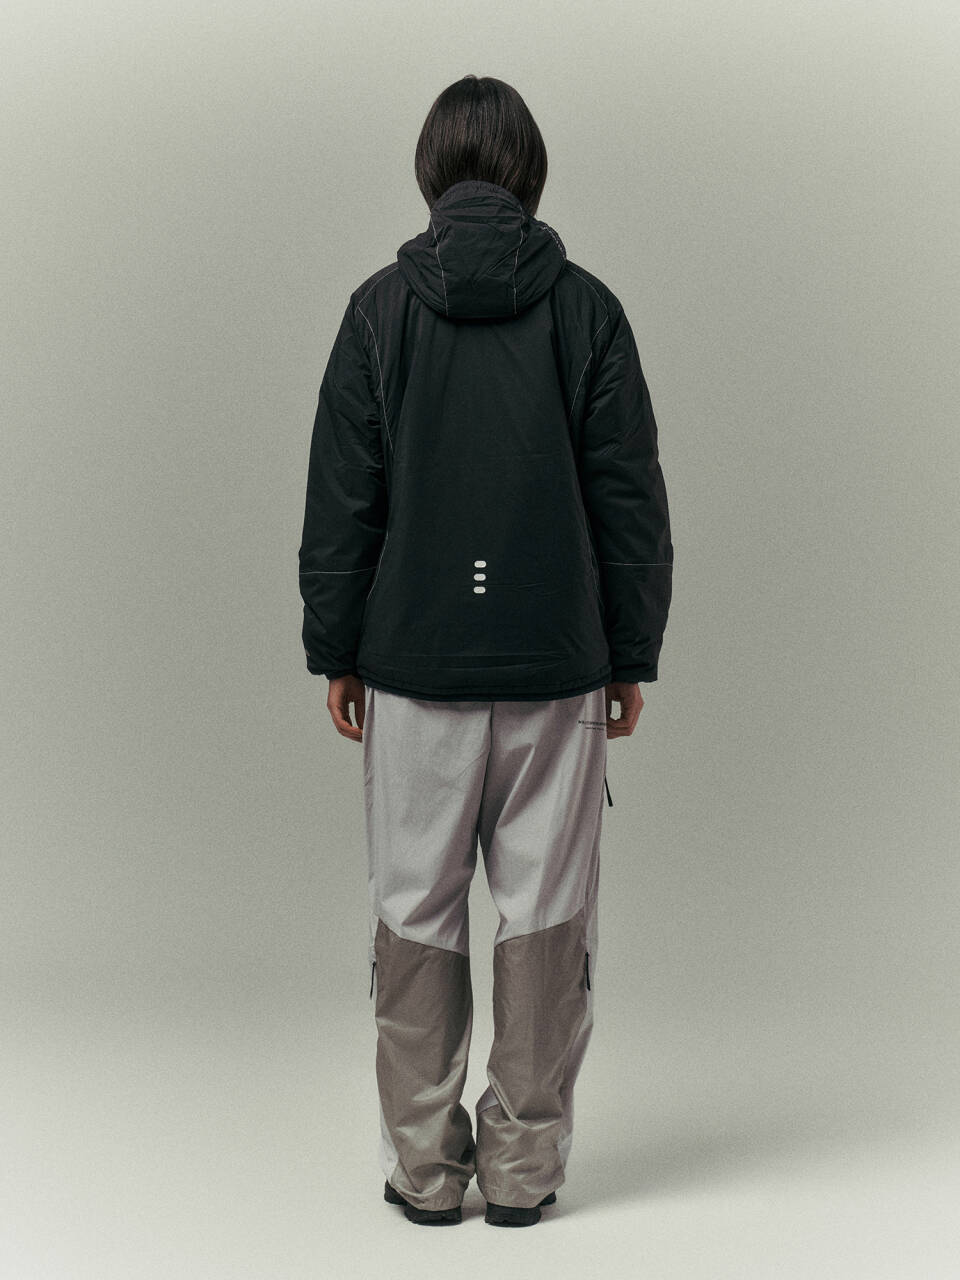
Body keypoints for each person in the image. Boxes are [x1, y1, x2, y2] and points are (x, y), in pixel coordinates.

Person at [298, 74, 673, 1227]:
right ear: (530, 172)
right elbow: (628, 498)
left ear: (431, 171)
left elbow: (343, 498)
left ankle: (424, 1169)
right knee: (547, 911)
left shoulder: (376, 311)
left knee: (416, 909)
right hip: (556, 665)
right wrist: (630, 651)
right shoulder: (589, 311)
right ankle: (521, 1170)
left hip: (414, 666)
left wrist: (336, 646)